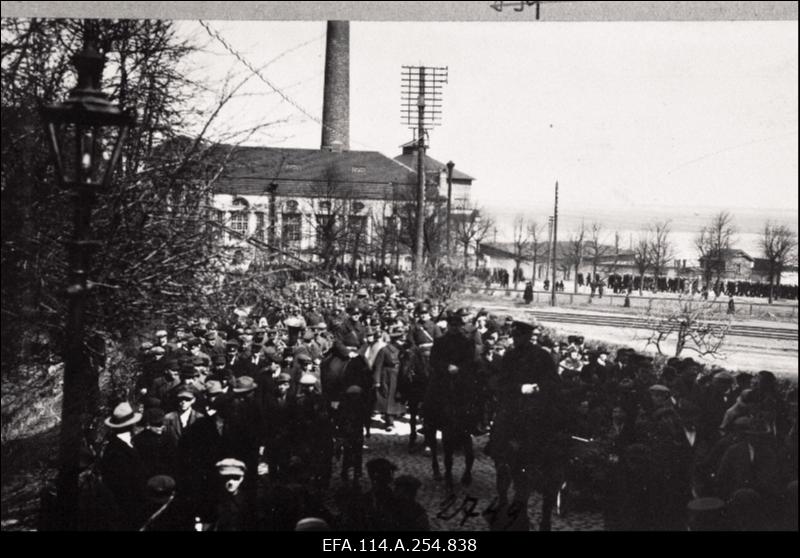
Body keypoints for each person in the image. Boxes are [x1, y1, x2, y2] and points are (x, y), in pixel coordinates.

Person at [99, 402, 147, 530]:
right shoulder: (117, 452)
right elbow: (123, 488)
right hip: (127, 511)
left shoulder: (125, 443)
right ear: (131, 425)